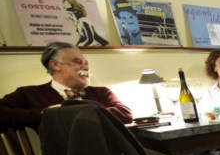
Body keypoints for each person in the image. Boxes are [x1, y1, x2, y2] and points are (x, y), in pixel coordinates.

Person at [0, 42, 132, 131]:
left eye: (86, 63)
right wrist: (44, 114)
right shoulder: (29, 93)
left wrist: (72, 113)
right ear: (55, 65)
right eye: (77, 62)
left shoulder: (101, 92)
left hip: (107, 154)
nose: (85, 67)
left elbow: (125, 113)